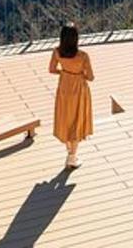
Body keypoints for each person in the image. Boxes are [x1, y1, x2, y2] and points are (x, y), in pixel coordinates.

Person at [48, 22, 93, 168]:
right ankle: (72, 157)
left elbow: (52, 69)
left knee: (65, 117)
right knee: (77, 120)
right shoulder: (83, 56)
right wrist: (79, 74)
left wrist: (64, 72)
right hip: (78, 88)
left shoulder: (56, 52)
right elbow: (91, 77)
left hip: (64, 86)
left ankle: (69, 151)